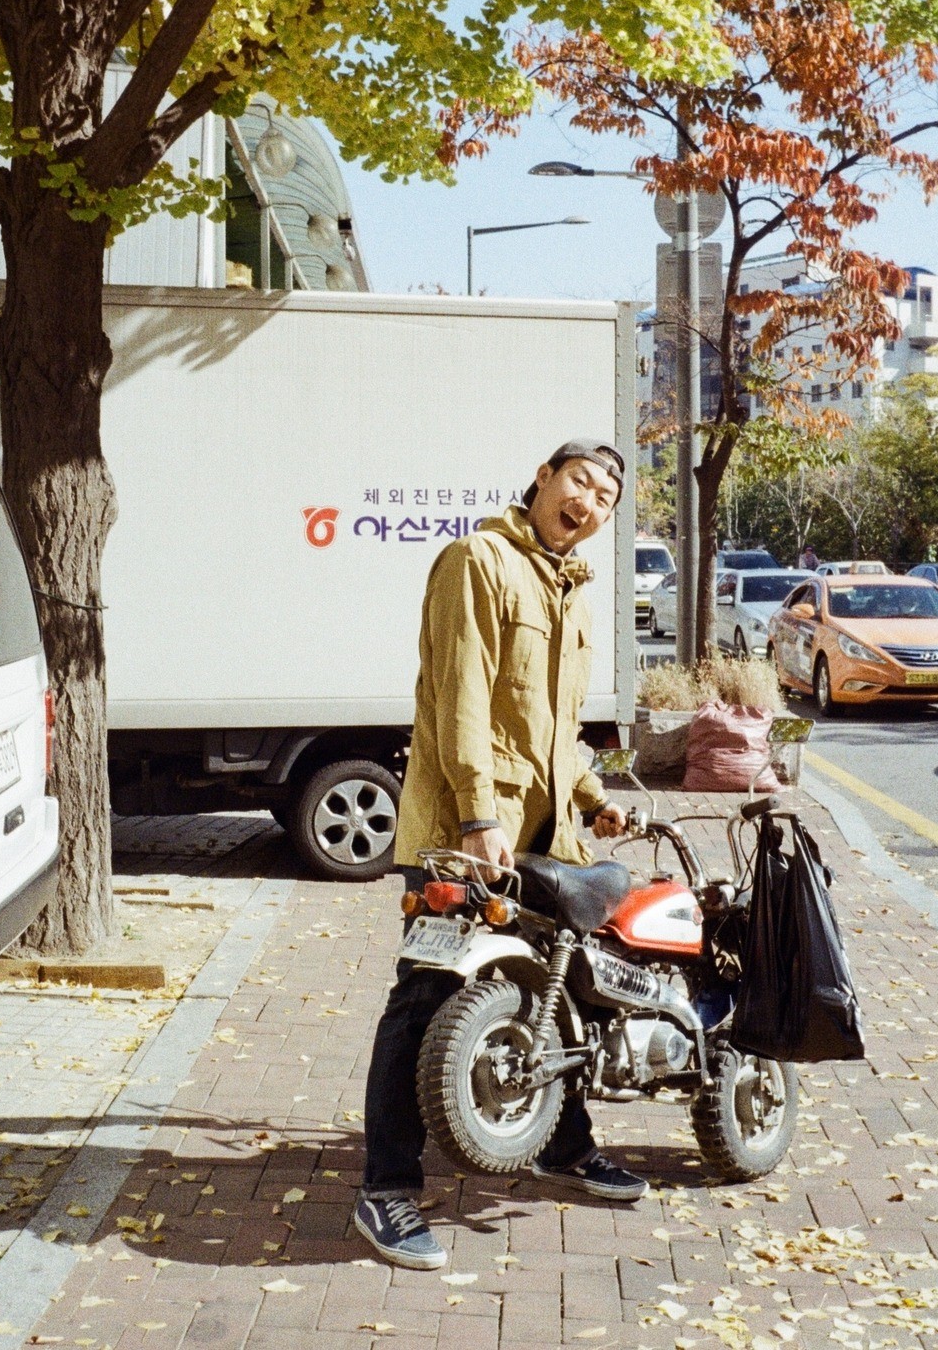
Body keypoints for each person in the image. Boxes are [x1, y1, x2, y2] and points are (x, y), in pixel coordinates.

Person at [353, 441, 638, 1271]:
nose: (590, 501)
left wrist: (592, 796)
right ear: (543, 479)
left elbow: (554, 729)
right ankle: (386, 1189)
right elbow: (461, 698)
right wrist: (478, 814)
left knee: (560, 990)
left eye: (607, 497)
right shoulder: (478, 560)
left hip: (545, 838)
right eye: (580, 481)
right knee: (426, 999)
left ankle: (561, 1145)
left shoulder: (570, 590)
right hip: (465, 832)